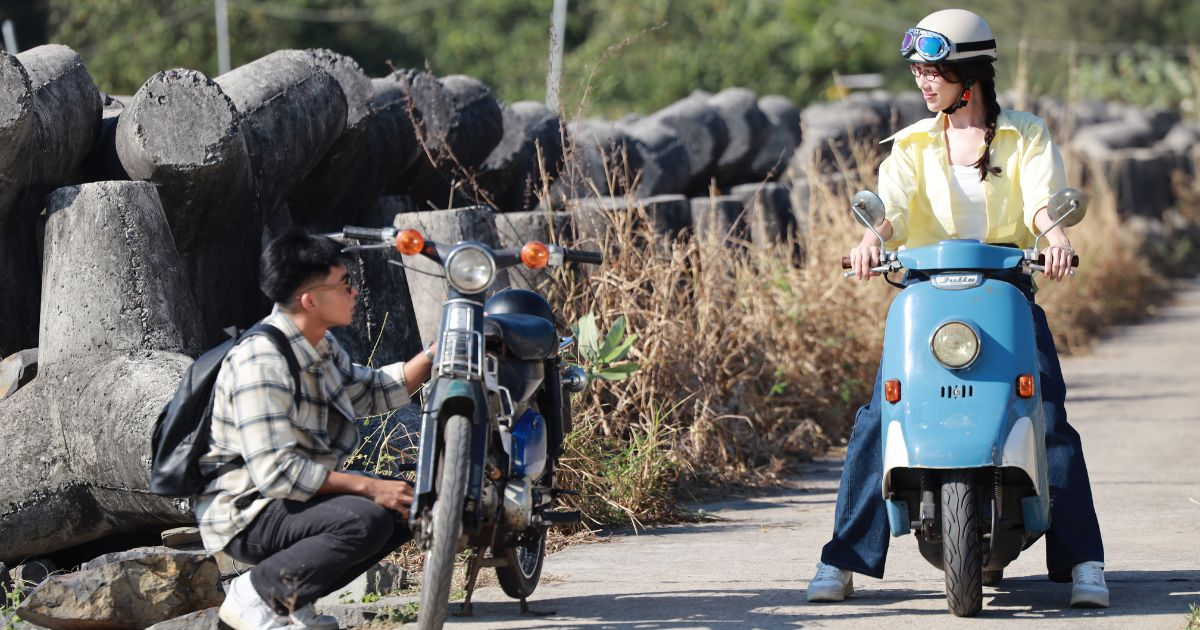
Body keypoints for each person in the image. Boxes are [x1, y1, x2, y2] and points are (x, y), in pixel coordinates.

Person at [807, 8, 1108, 609]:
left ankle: (1084, 562)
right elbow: (888, 201)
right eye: (918, 71)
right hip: (926, 296)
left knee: (1047, 413)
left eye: (933, 70)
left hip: (1005, 294)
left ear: (967, 72)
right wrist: (872, 240)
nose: (922, 82)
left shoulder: (1026, 135)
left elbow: (1043, 201)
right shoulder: (916, 142)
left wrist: (1056, 240)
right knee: (878, 417)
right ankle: (842, 560)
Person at [195, 228, 437, 630]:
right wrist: (370, 486)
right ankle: (258, 594)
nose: (354, 293)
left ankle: (294, 600)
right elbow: (277, 473)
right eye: (344, 285)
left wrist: (432, 354)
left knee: (405, 507)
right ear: (310, 300)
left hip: (288, 499)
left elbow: (372, 391)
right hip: (245, 511)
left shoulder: (318, 345)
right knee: (364, 518)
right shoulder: (262, 363)